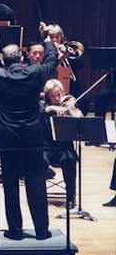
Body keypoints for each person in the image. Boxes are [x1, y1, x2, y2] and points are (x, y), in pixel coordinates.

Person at [0, 25, 56, 240]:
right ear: (22, 60)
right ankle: (42, 231)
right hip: (32, 139)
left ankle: (15, 231)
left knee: (11, 187)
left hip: (7, 140)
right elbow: (51, 61)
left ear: (4, 62)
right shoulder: (34, 73)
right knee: (36, 184)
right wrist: (47, 39)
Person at [42, 79, 80, 209]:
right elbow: (36, 115)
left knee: (69, 159)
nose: (57, 99)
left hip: (65, 149)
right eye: (53, 96)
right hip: (47, 149)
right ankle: (39, 195)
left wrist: (70, 112)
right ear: (48, 96)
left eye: (59, 95)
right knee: (40, 160)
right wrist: (50, 108)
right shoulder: (43, 108)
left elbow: (79, 120)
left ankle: (71, 196)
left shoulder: (67, 105)